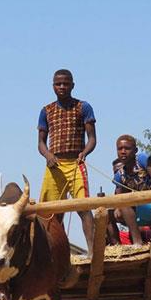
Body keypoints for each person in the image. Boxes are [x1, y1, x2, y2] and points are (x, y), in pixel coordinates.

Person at [37, 69, 96, 256]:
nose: (62, 87)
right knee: (50, 213)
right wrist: (48, 156)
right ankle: (53, 253)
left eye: (66, 83)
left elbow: (92, 139)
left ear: (72, 85)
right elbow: (40, 143)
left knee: (83, 208)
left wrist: (84, 153)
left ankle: (93, 252)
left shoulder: (83, 107)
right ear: (53, 86)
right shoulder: (46, 110)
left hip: (76, 164)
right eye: (58, 84)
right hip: (54, 166)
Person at [109, 134, 151, 246]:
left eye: (127, 148)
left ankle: (138, 243)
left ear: (135, 150)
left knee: (125, 204)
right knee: (106, 213)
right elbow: (119, 196)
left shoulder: (142, 159)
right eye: (120, 149)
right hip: (143, 210)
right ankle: (116, 246)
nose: (123, 151)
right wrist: (117, 208)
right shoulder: (119, 175)